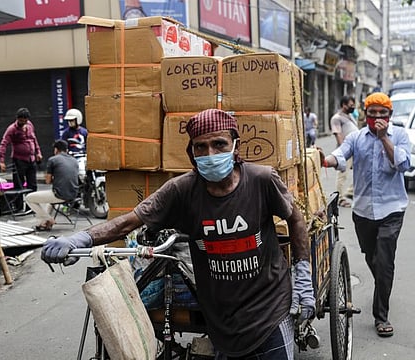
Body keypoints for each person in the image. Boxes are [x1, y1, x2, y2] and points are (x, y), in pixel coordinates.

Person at [42, 109, 315, 359]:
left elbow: (296, 219)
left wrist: (303, 275)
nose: (210, 154)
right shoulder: (182, 190)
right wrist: (80, 239)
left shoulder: (261, 180)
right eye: (200, 147)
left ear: (235, 146)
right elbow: (128, 222)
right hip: (222, 319)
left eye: (219, 144)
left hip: (270, 311)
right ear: (191, 153)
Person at [323, 92, 410, 338]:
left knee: (384, 262)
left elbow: (403, 165)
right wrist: (324, 160)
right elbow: (340, 154)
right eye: (373, 115)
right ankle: (383, 283)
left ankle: (380, 316)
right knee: (373, 259)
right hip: (362, 212)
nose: (378, 119)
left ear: (390, 116)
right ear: (365, 116)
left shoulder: (401, 135)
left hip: (392, 210)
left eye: (383, 114)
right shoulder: (357, 137)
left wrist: (384, 140)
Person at [25, 140, 79, 231]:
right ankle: (45, 224)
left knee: (29, 198)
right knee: (47, 200)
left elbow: (47, 180)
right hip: (74, 194)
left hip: (60, 195)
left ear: (56, 150)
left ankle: (49, 219)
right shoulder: (74, 160)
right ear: (66, 150)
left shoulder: (53, 159)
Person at [0, 107, 43, 197]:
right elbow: (4, 143)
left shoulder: (30, 125)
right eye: (21, 121)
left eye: (25, 121)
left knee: (32, 184)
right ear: (17, 119)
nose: (23, 123)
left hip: (31, 159)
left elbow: (34, 139)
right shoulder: (12, 129)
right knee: (18, 184)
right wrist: (1, 161)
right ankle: (19, 207)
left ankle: (31, 207)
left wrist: (38, 152)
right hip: (19, 160)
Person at [330, 95, 358, 207]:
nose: (353, 107)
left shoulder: (349, 116)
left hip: (356, 150)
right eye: (351, 105)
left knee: (361, 172)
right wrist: (343, 151)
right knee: (342, 175)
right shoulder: (336, 118)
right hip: (346, 150)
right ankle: (340, 198)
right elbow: (338, 134)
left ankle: (350, 192)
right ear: (344, 105)